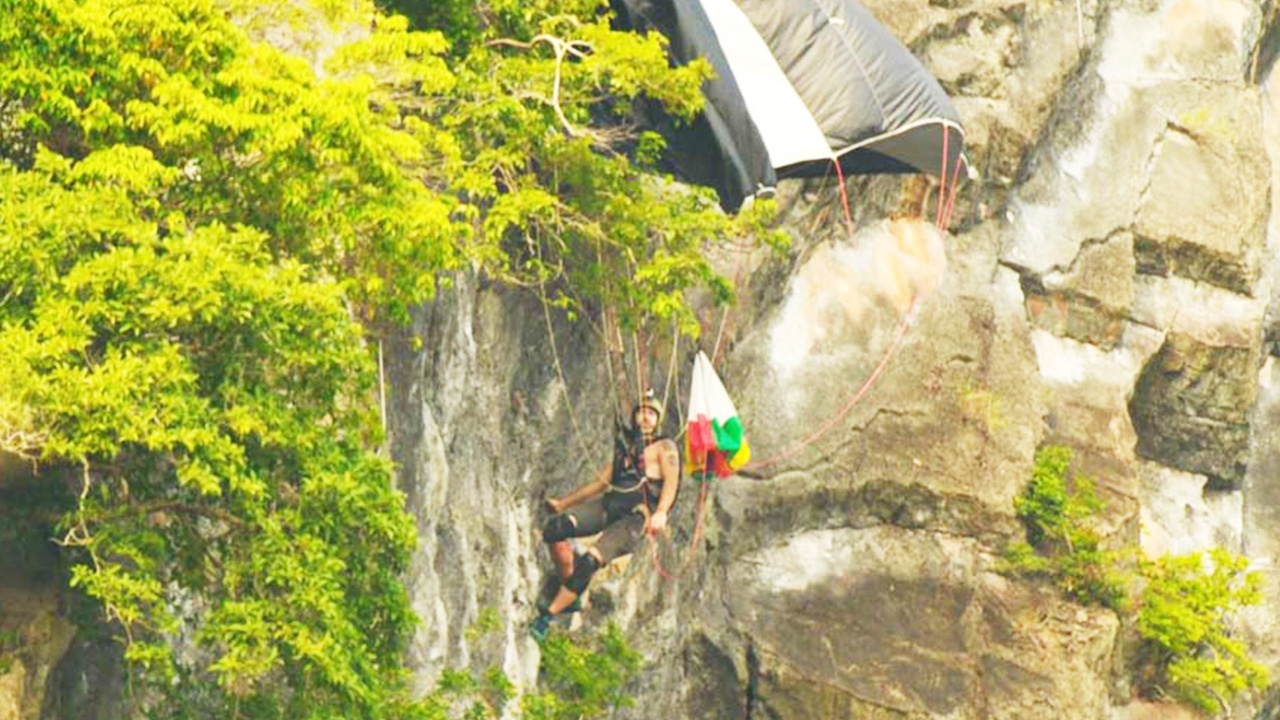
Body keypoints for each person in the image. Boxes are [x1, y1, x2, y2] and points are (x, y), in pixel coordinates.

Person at [530, 390, 681, 641]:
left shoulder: (665, 448)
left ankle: (547, 616)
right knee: (556, 528)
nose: (646, 417)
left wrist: (662, 512)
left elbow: (672, 482)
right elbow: (599, 483)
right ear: (634, 416)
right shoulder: (626, 451)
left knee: (590, 561)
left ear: (658, 421)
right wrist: (563, 503)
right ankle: (570, 588)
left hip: (635, 517)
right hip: (610, 505)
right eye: (642, 411)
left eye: (652, 414)